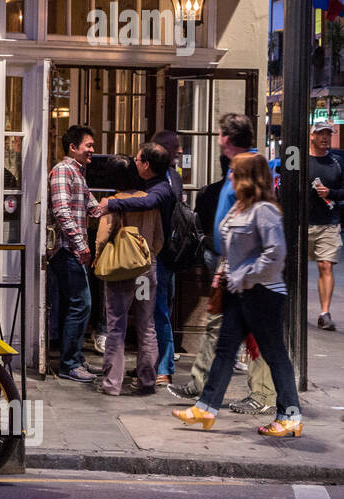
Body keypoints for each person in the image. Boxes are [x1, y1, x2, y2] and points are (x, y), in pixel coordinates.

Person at [174, 153, 304, 438]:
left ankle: (290, 415)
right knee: (224, 351)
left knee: (273, 353)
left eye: (234, 172)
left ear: (247, 176)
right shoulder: (239, 208)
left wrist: (244, 274)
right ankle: (206, 408)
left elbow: (276, 253)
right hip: (239, 292)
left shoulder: (265, 210)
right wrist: (225, 272)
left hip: (263, 293)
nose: (229, 176)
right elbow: (231, 249)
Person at [169, 114, 275, 414]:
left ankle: (264, 395)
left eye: (219, 133)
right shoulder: (239, 167)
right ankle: (203, 390)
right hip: (232, 262)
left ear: (226, 138)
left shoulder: (249, 166)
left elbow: (255, 217)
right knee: (220, 328)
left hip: (245, 265)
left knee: (255, 333)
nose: (217, 137)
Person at [93, 139, 179, 384]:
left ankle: (112, 383)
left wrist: (97, 259)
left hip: (120, 270)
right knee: (146, 323)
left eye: (139, 158)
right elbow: (159, 237)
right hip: (146, 268)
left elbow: (101, 237)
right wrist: (149, 257)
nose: (136, 161)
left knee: (116, 326)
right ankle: (148, 378)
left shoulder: (152, 194)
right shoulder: (149, 193)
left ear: (147, 165)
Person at [48, 125, 100, 383]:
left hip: (74, 250)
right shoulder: (63, 171)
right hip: (66, 250)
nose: (92, 150)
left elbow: (92, 206)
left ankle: (76, 358)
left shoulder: (78, 173)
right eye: (88, 145)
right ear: (73, 147)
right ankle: (69, 363)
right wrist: (81, 244)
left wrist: (121, 203)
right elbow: (62, 211)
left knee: (79, 304)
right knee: (81, 304)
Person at [307, 122, 344, 330]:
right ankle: (291, 309)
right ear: (311, 136)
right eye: (320, 133)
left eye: (328, 134)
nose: (325, 138)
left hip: (328, 223)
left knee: (326, 265)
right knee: (294, 269)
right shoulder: (301, 161)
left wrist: (331, 193)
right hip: (303, 222)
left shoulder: (337, 163)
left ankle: (325, 312)